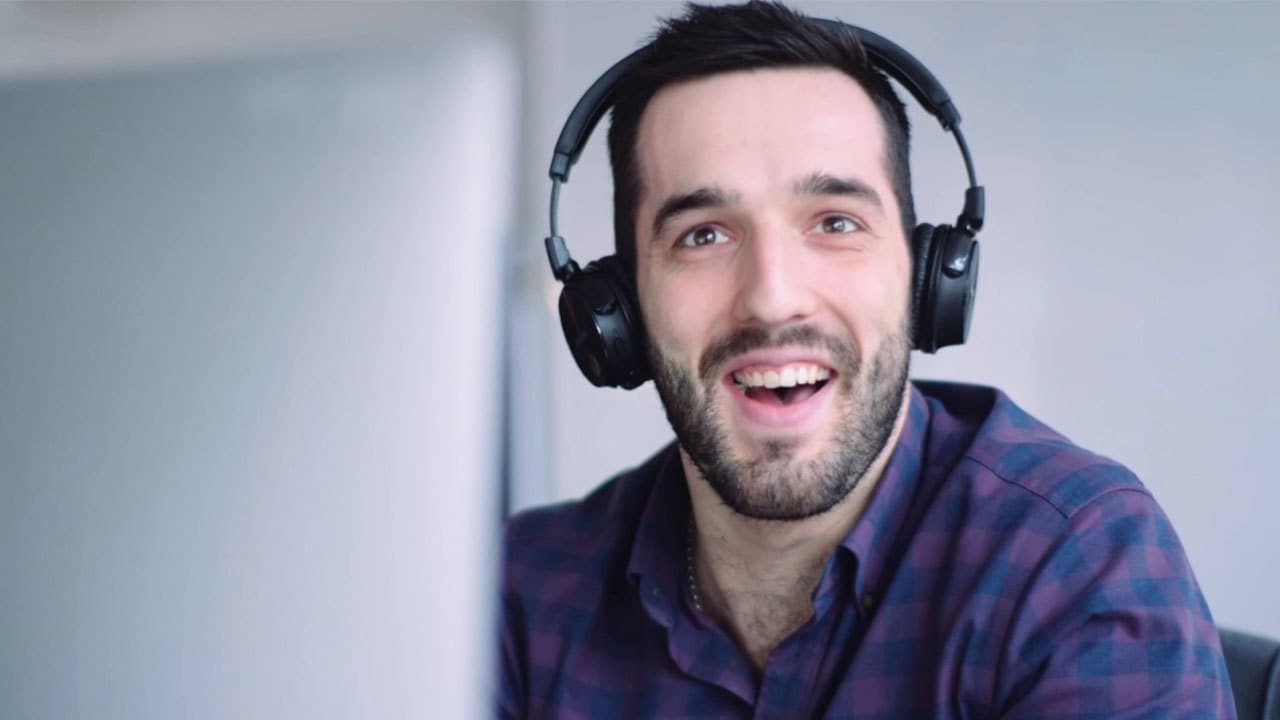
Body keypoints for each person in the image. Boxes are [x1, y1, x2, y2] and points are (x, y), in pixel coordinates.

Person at [500, 2, 1235, 717]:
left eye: (835, 222)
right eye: (704, 235)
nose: (772, 299)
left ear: (924, 277)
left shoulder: (1072, 558)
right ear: (622, 305)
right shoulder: (521, 592)